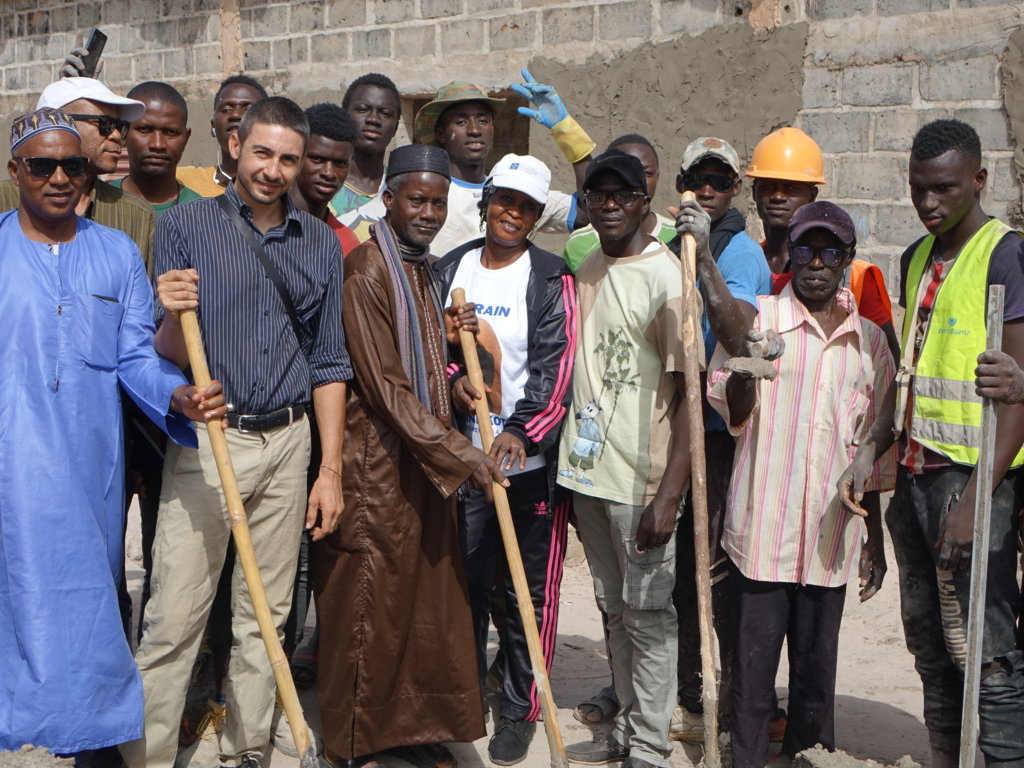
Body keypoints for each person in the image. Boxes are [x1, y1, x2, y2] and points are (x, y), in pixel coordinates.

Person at [121, 97, 353, 768]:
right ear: (234, 147)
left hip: (288, 442)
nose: (273, 170)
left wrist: (328, 470)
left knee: (266, 615)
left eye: (288, 158)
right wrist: (169, 313)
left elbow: (329, 364)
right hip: (207, 442)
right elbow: (165, 351)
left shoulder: (317, 243)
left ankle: (248, 749)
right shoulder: (188, 227)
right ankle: (150, 756)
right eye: (262, 152)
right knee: (174, 616)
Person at [0, 108, 226, 758]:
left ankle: (94, 732)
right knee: (17, 595)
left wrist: (176, 395)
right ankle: (26, 724)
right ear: (17, 171)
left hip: (88, 463)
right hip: (12, 465)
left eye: (74, 165)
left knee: (92, 595)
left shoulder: (117, 252)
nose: (60, 177)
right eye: (42, 165)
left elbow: (135, 357)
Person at [314, 144, 508, 768]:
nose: (427, 212)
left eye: (438, 203)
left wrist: (455, 387)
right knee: (368, 606)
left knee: (421, 604)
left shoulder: (420, 268)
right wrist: (464, 455)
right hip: (376, 467)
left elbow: (420, 372)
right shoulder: (369, 270)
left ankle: (411, 732)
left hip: (420, 462)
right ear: (390, 200)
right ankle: (353, 743)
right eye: (417, 200)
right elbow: (384, 387)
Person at [839, 119, 1024, 768]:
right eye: (918, 190)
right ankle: (945, 755)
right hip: (917, 477)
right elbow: (906, 373)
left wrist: (975, 501)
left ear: (979, 180)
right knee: (928, 639)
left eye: (943, 188)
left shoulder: (1006, 255)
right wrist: (873, 453)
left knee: (985, 647)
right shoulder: (916, 258)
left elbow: (1016, 398)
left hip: (975, 481)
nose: (928, 203)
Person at [708, 201, 895, 768]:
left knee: (815, 680)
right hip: (762, 534)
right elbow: (732, 412)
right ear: (791, 254)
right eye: (805, 250)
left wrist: (876, 541)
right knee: (752, 680)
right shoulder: (758, 322)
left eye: (829, 252)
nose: (815, 263)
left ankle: (809, 759)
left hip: (831, 538)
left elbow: (871, 448)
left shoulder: (871, 343)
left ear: (847, 261)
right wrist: (745, 367)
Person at [433, 154, 576, 765]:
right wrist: (452, 379)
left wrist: (523, 432)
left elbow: (556, 366)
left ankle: (521, 705)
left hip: (525, 462)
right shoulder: (451, 267)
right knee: (461, 582)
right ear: (487, 199)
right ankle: (463, 700)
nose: (511, 212)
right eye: (503, 199)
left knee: (527, 593)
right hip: (463, 456)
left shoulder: (549, 277)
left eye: (525, 205)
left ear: (538, 214)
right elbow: (425, 351)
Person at [556, 149, 695, 768]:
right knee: (614, 610)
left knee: (648, 615)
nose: (608, 205)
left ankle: (649, 746)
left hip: (642, 480)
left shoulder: (668, 278)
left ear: (645, 202)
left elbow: (692, 393)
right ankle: (624, 730)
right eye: (597, 195)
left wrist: (669, 494)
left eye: (621, 195)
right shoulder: (586, 265)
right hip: (587, 474)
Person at [667, 136, 773, 742]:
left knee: (722, 576)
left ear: (734, 189)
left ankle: (730, 703)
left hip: (721, 437)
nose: (707, 191)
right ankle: (691, 697)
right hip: (673, 427)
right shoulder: (666, 238)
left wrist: (705, 257)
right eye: (697, 180)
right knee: (684, 577)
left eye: (719, 181)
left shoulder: (741, 251)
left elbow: (737, 335)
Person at [747, 126, 900, 362]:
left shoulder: (855, 277)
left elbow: (885, 360)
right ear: (753, 191)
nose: (777, 196)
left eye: (790, 187)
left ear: (812, 194)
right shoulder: (746, 264)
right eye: (767, 185)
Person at [412, 72, 594, 256]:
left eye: (483, 121)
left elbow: (588, 212)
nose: (475, 130)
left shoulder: (515, 194)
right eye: (461, 122)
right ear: (441, 134)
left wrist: (566, 131)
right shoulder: (428, 197)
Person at [0, 77, 157, 272]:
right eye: (104, 124)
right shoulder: (4, 199)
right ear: (60, 122)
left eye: (120, 126)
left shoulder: (137, 216)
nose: (116, 135)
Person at [562, 134, 676, 274]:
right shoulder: (579, 245)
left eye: (646, 173)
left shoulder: (678, 237)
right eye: (623, 173)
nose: (611, 205)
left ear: (657, 177)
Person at [111, 81, 201, 214]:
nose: (157, 145)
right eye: (144, 129)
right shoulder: (96, 203)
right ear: (123, 132)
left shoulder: (203, 213)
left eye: (170, 132)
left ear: (186, 138)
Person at [176, 75, 267, 197]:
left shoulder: (281, 185)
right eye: (226, 109)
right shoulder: (182, 181)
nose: (235, 115)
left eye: (248, 110)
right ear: (213, 127)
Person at [289, 102, 359, 256]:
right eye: (317, 159)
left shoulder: (347, 243)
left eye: (340, 163)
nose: (329, 173)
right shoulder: (259, 222)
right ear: (296, 156)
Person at [331, 73, 402, 222]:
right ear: (344, 115)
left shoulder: (399, 193)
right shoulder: (322, 182)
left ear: (395, 127)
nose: (373, 119)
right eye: (363, 109)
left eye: (385, 113)